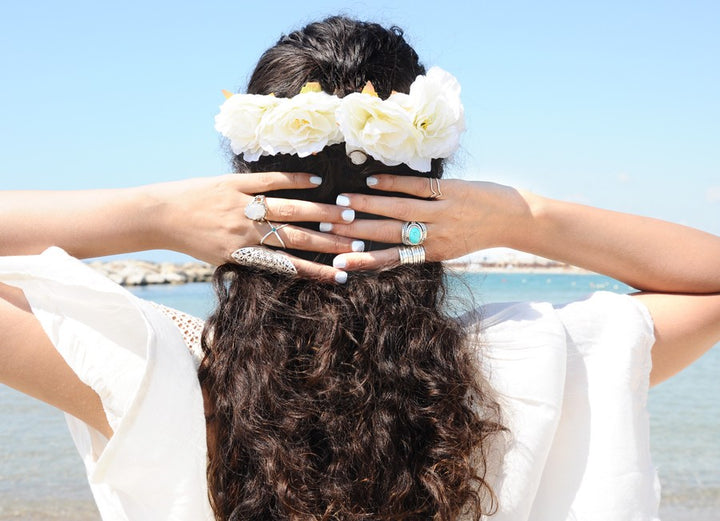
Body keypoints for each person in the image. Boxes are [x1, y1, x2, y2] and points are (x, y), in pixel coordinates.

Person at [0, 15, 718, 521]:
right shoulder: (522, 371)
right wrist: (521, 218)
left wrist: (152, 215)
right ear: (433, 182)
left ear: (244, 180)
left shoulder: (168, 379)